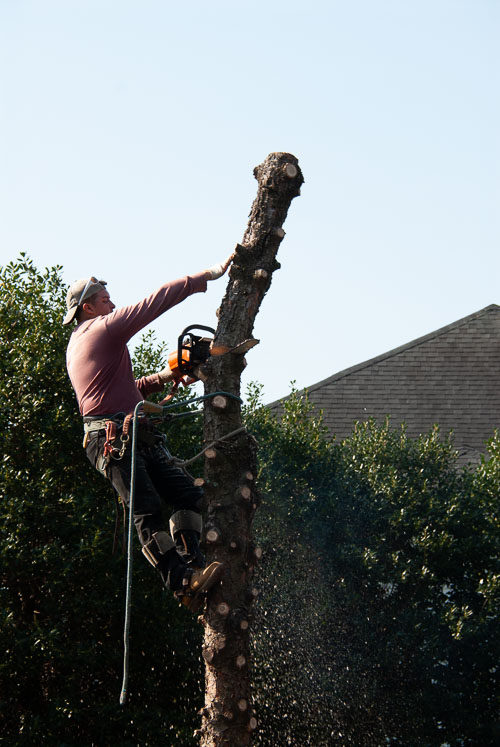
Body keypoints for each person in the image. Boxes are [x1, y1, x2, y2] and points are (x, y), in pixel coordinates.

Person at [64, 254, 233, 611]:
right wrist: (202, 277)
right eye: (105, 299)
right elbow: (153, 302)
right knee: (147, 509)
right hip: (112, 440)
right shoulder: (101, 329)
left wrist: (167, 377)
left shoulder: (84, 343)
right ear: (87, 307)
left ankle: (194, 567)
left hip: (133, 434)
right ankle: (182, 583)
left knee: (188, 495)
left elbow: (123, 391)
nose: (112, 304)